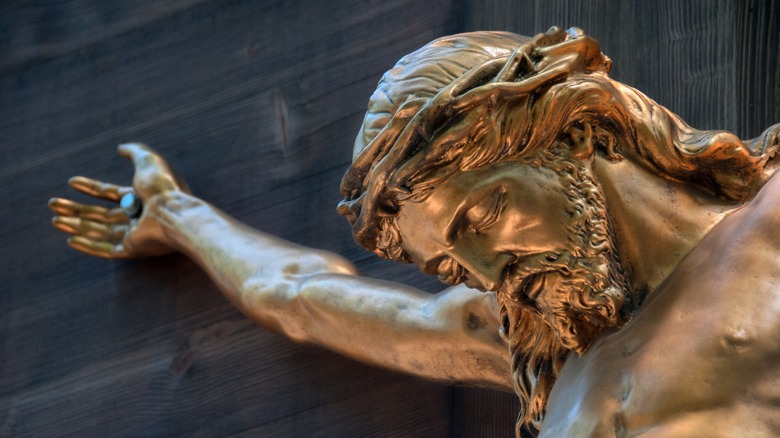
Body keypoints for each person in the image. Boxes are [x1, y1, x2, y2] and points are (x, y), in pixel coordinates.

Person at [50, 27, 780, 437]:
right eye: (455, 265)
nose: (491, 272)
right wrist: (178, 216)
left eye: (482, 216)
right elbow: (300, 297)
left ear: (573, 132)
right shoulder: (534, 352)